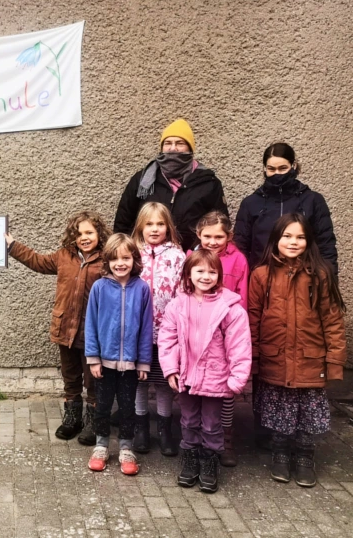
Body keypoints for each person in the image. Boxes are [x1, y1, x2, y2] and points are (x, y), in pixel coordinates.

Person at [249, 213, 346, 488]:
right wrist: (254, 359)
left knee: (308, 413)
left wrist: (335, 359)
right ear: (276, 239)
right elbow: (253, 319)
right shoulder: (261, 275)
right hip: (275, 358)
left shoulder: (320, 274)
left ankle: (305, 455)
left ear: (309, 240)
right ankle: (280, 453)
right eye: (287, 236)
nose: (293, 242)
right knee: (279, 410)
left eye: (300, 237)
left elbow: (332, 319)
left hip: (310, 359)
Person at [4, 211, 110, 445]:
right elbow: (38, 261)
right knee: (70, 377)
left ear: (99, 234)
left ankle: (94, 421)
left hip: (93, 333)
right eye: (79, 233)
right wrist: (13, 246)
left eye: (89, 232)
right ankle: (73, 418)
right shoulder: (64, 256)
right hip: (65, 329)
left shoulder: (107, 260)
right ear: (72, 237)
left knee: (94, 380)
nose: (84, 237)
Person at [159, 250, 252, 493]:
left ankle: (209, 460)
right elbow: (167, 339)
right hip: (187, 377)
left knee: (212, 424)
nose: (206, 276)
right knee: (188, 420)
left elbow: (239, 345)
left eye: (212, 271)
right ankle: (190, 458)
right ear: (188, 274)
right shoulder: (177, 304)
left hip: (215, 379)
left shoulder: (230, 308)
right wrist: (170, 369)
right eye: (200, 271)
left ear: (219, 275)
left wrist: (237, 378)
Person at [84, 234, 153, 475]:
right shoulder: (99, 287)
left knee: (127, 408)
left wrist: (144, 362)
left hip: (131, 364)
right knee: (102, 406)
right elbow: (91, 324)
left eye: (126, 257)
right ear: (107, 260)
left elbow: (146, 327)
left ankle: (126, 448)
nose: (120, 263)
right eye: (114, 259)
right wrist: (93, 357)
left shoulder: (142, 289)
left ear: (135, 259)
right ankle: (101, 445)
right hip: (103, 362)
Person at [188, 211, 249, 467]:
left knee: (224, 392)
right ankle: (197, 438)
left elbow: (242, 296)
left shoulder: (238, 260)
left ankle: (225, 438)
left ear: (229, 236)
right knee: (200, 391)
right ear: (198, 235)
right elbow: (187, 290)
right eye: (208, 236)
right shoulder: (192, 257)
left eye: (219, 236)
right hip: (200, 333)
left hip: (227, 334)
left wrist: (236, 328)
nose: (213, 241)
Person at [113, 118, 228, 250]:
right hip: (145, 259)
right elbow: (123, 220)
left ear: (189, 148)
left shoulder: (208, 182)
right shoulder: (142, 180)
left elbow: (220, 223)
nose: (173, 148)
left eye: (179, 143)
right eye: (167, 143)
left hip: (193, 260)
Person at [130, 203, 185, 457]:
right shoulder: (132, 252)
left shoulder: (177, 256)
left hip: (166, 334)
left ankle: (165, 429)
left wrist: (177, 329)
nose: (154, 229)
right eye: (149, 224)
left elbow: (182, 294)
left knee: (164, 383)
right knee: (138, 381)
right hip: (137, 332)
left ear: (168, 227)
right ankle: (140, 428)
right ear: (141, 225)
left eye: (160, 224)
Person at [234, 142, 338, 273]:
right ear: (264, 169)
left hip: (305, 279)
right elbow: (240, 246)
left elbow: (326, 244)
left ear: (293, 166)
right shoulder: (251, 203)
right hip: (262, 279)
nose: (277, 173)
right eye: (271, 169)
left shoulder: (313, 200)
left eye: (283, 168)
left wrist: (328, 279)